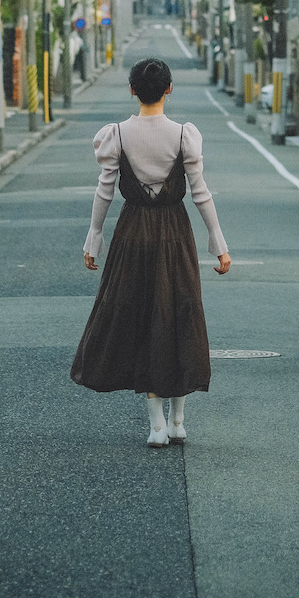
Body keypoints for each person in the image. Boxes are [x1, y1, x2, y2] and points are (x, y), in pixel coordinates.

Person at [70, 57, 231, 447]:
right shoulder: (184, 135)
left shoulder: (117, 135)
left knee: (144, 318)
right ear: (169, 89)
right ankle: (178, 421)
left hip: (133, 233)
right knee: (179, 314)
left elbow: (105, 191)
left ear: (132, 90)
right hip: (175, 233)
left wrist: (94, 237)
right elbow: (200, 192)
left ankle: (156, 425)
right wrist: (218, 244)